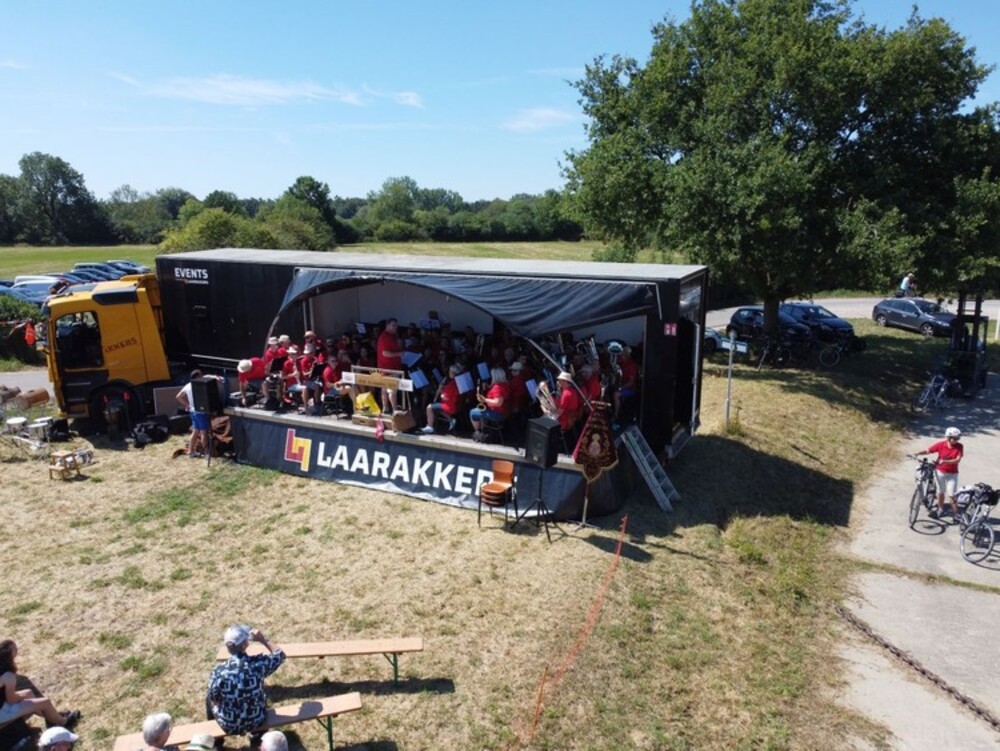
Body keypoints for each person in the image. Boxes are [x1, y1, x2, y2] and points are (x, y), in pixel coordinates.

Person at [207, 625, 285, 746]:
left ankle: (217, 741)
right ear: (245, 644)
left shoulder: (218, 671)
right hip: (257, 720)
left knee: (208, 699)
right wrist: (263, 639)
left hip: (229, 724)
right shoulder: (258, 665)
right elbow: (280, 655)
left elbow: (214, 699)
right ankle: (258, 738)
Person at [0, 640, 80, 732]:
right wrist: (21, 696)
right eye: (15, 649)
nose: (17, 650)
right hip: (3, 712)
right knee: (45, 702)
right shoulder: (8, 676)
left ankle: (52, 718)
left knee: (28, 693)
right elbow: (11, 699)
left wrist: (22, 695)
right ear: (9, 654)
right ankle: (64, 723)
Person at [915, 426, 964, 520]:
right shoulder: (941, 445)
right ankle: (940, 509)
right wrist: (917, 453)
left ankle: (956, 514)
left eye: (958, 438)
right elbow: (928, 451)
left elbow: (957, 460)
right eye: (955, 438)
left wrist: (945, 461)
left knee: (952, 494)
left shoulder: (959, 446)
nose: (956, 440)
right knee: (940, 492)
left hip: (953, 474)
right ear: (948, 438)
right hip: (940, 472)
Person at [176, 370, 212, 457]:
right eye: (201, 376)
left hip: (192, 412)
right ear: (197, 377)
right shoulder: (199, 386)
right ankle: (206, 453)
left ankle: (191, 452)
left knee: (195, 431)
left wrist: (187, 405)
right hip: (201, 412)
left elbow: (178, 396)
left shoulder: (187, 385)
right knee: (203, 432)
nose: (202, 377)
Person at [543, 371, 583, 450]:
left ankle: (549, 446)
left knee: (544, 419)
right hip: (571, 417)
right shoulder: (572, 390)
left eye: (560, 380)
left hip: (565, 420)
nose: (558, 382)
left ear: (565, 382)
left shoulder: (566, 394)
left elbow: (559, 413)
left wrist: (548, 412)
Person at [469, 367, 510, 442]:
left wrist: (484, 399)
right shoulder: (505, 384)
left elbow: (498, 402)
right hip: (505, 412)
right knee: (479, 412)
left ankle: (477, 432)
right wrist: (489, 386)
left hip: (497, 414)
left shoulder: (497, 387)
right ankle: (482, 430)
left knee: (472, 413)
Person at [422, 364, 461, 434]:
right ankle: (450, 419)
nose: (449, 373)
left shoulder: (453, 384)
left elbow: (445, 396)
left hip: (449, 406)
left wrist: (441, 392)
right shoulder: (458, 382)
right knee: (437, 408)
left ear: (453, 373)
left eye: (450, 372)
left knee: (429, 407)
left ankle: (430, 426)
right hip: (453, 405)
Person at [376, 318, 404, 413]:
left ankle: (386, 408)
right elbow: (385, 353)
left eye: (396, 326)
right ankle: (395, 410)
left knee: (385, 390)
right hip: (390, 368)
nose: (395, 327)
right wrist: (399, 354)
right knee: (392, 391)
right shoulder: (385, 337)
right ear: (387, 325)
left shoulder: (391, 337)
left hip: (386, 368)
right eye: (393, 325)